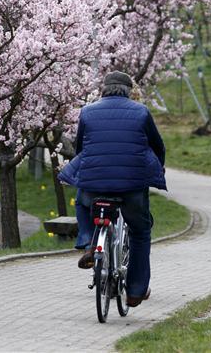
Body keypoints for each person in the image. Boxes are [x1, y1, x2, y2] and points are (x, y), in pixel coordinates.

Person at [59, 71, 166, 308]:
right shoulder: (140, 112)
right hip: (131, 185)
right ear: (128, 91)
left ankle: (89, 242)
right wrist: (158, 168)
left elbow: (81, 148)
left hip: (95, 183)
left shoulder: (87, 112)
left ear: (103, 90)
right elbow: (157, 146)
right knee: (139, 230)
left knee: (82, 200)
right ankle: (136, 290)